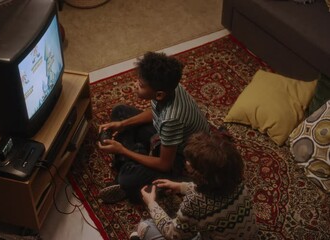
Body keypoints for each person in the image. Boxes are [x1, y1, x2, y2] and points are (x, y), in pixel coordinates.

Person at [97, 51, 209, 204]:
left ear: (159, 95)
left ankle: (128, 175)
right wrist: (122, 124)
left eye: (141, 85)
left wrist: (122, 150)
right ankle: (135, 156)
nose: (136, 85)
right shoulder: (170, 87)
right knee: (120, 112)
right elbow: (156, 113)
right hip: (167, 137)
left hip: (181, 156)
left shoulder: (172, 119)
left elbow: (164, 164)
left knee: (127, 179)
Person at [129, 131, 258, 240]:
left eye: (190, 162)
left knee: (145, 226)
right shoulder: (238, 184)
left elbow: (174, 234)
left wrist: (151, 203)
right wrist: (180, 186)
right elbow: (211, 190)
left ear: (201, 176)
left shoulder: (194, 201)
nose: (186, 162)